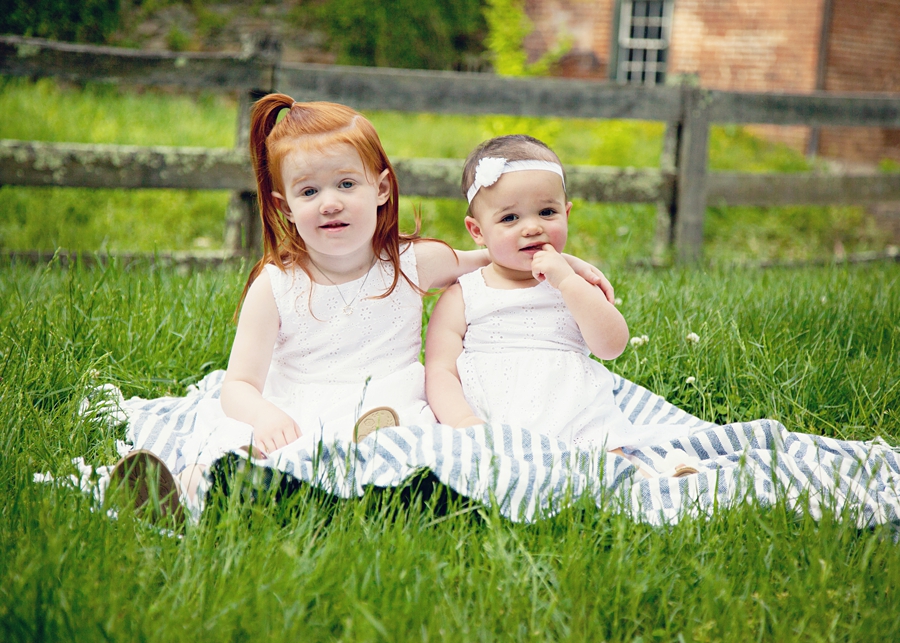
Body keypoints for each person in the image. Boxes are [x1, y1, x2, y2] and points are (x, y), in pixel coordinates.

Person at [112, 99, 612, 514]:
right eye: (310, 191)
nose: (330, 202)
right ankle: (190, 493)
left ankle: (328, 502)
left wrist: (569, 265)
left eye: (346, 185)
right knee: (243, 452)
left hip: (386, 410)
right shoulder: (276, 285)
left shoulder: (412, 263)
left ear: (381, 189)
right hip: (294, 410)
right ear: (286, 206)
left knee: (407, 464)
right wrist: (263, 416)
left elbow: (501, 251)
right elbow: (238, 384)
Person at [424, 134, 700, 474]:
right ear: (477, 231)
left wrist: (568, 281)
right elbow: (440, 369)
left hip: (574, 408)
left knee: (607, 462)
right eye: (510, 218)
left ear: (566, 213)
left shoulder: (574, 285)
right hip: (494, 413)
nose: (532, 227)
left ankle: (645, 479)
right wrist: (462, 420)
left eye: (547, 212)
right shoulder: (463, 294)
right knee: (497, 469)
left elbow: (612, 346)